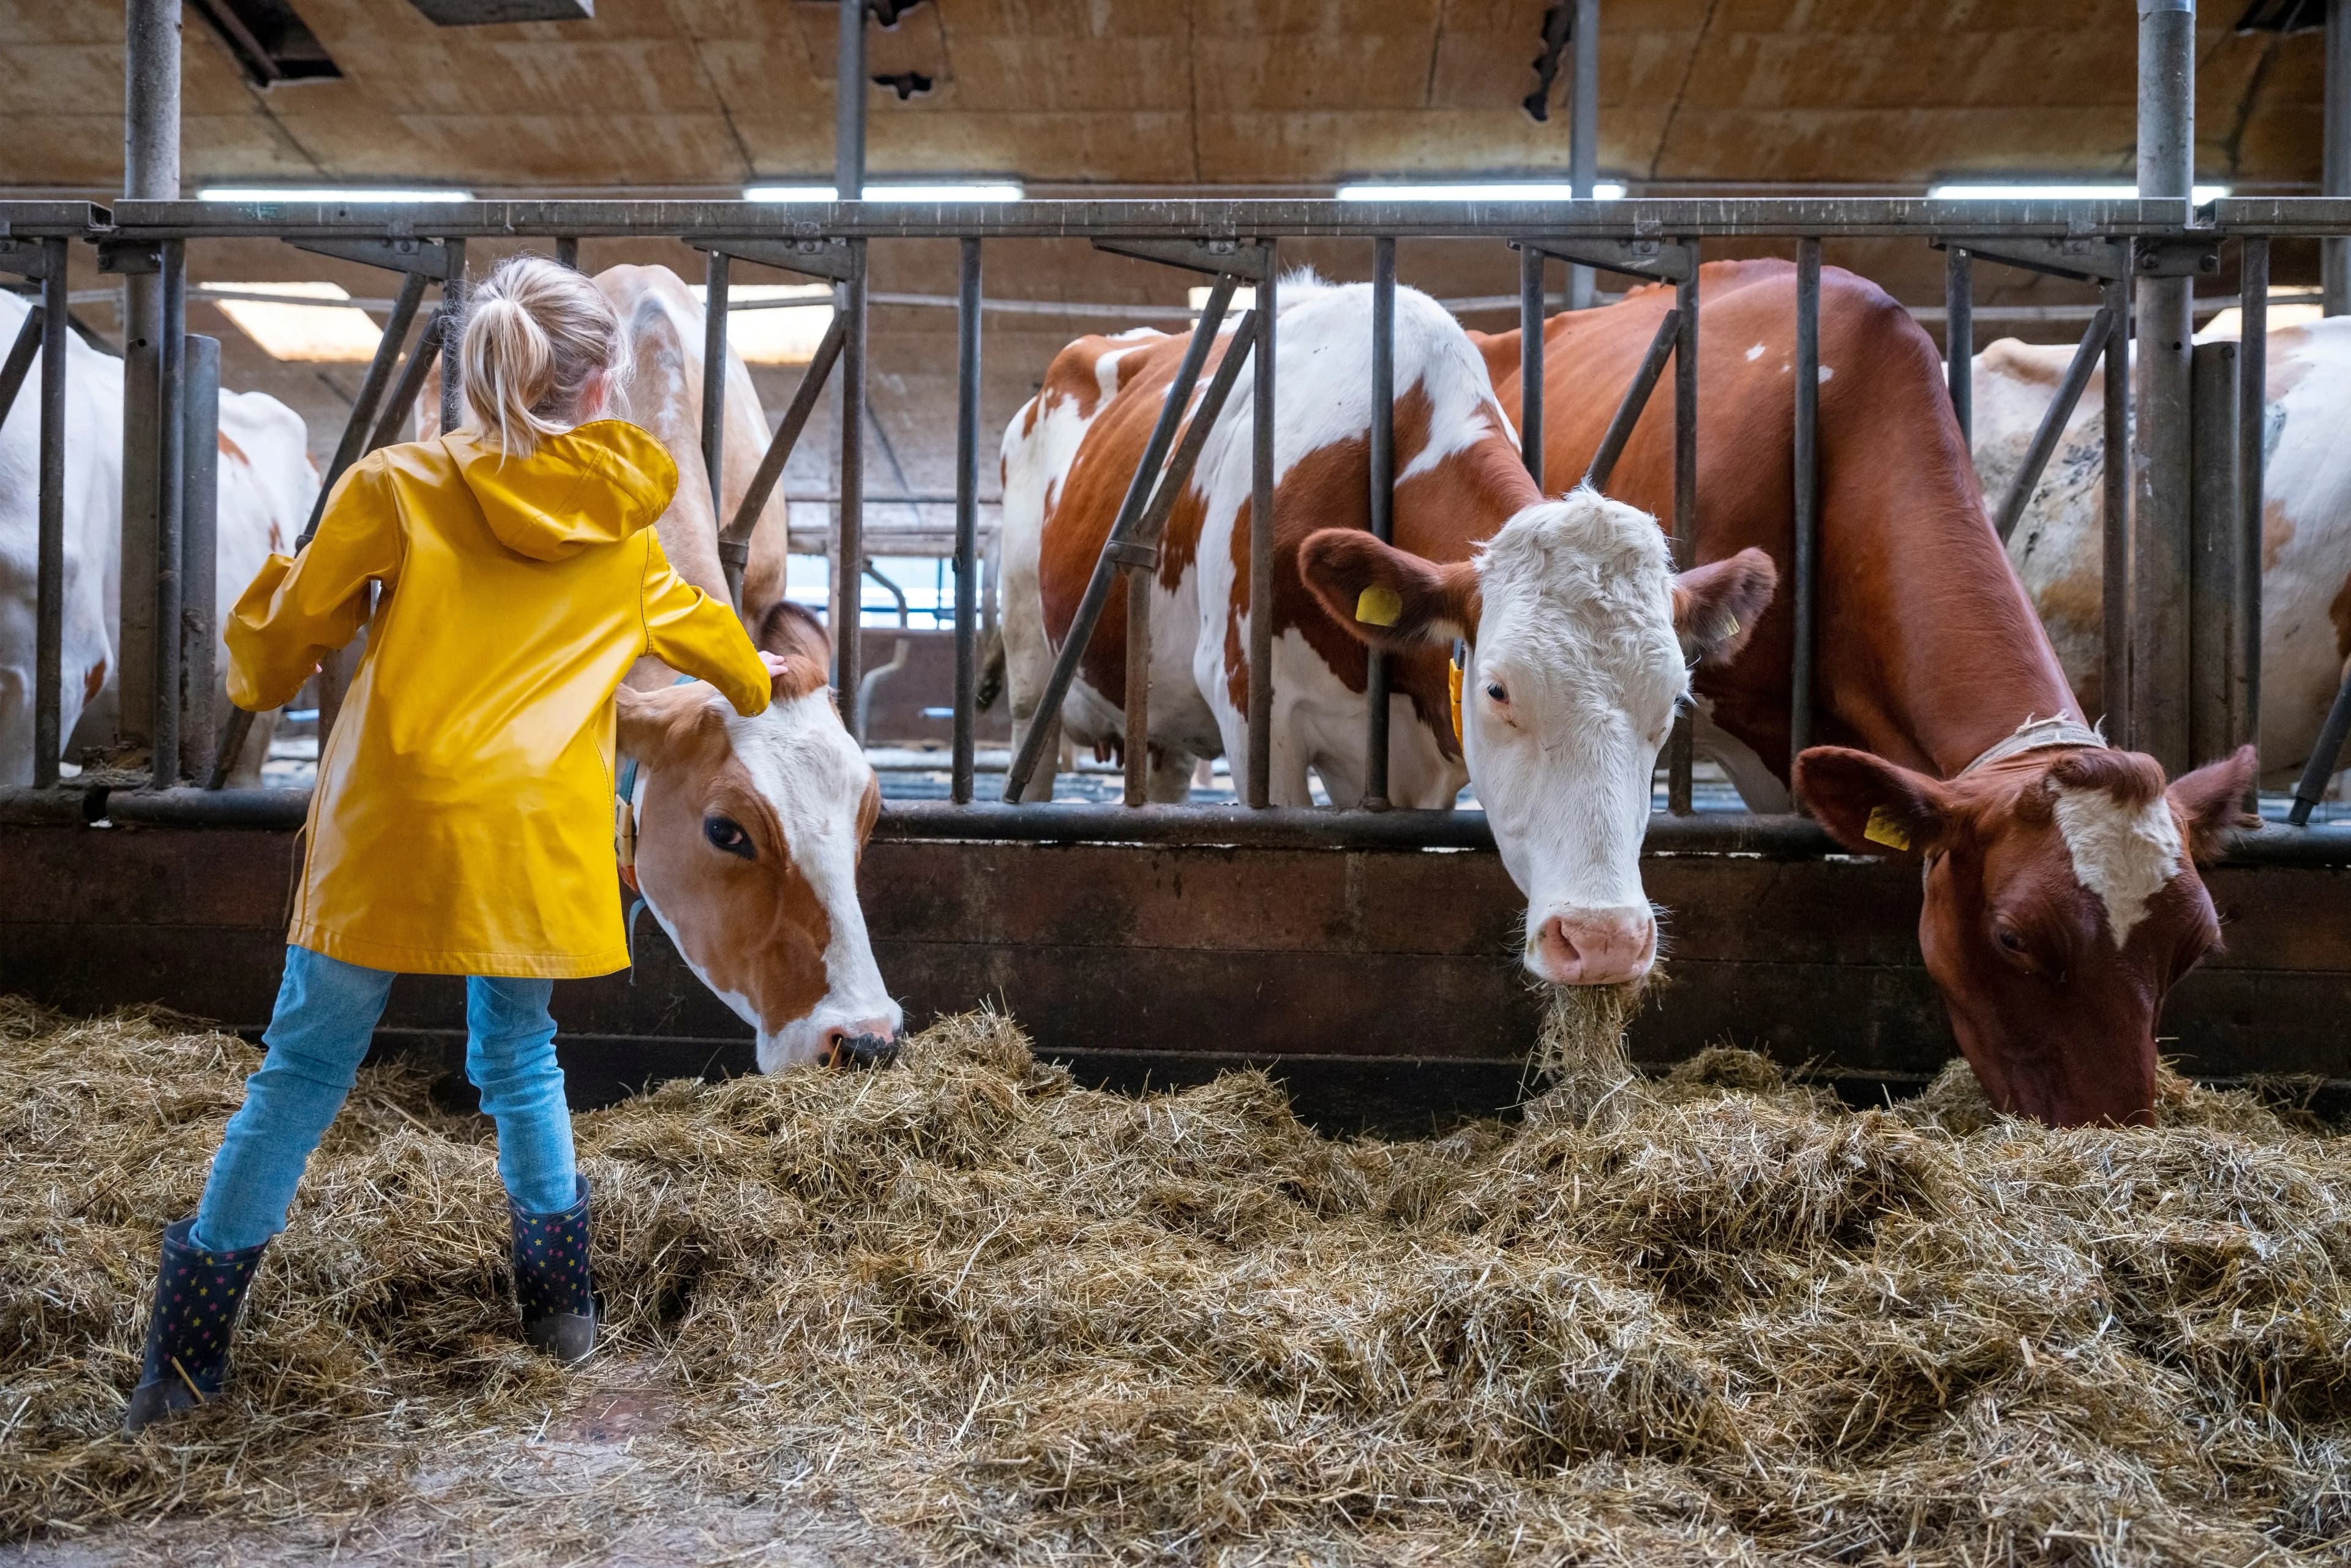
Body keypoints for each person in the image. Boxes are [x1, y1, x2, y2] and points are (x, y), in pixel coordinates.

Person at [123, 255, 780, 1434]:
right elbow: (732, 666)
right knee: (521, 1059)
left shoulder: (392, 488)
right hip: (529, 837)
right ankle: (564, 1317)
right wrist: (764, 667)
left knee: (304, 1070)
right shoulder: (627, 536)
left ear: (476, 375)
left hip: (392, 825)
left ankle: (181, 1366)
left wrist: (282, 590)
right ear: (598, 392)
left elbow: (272, 662)